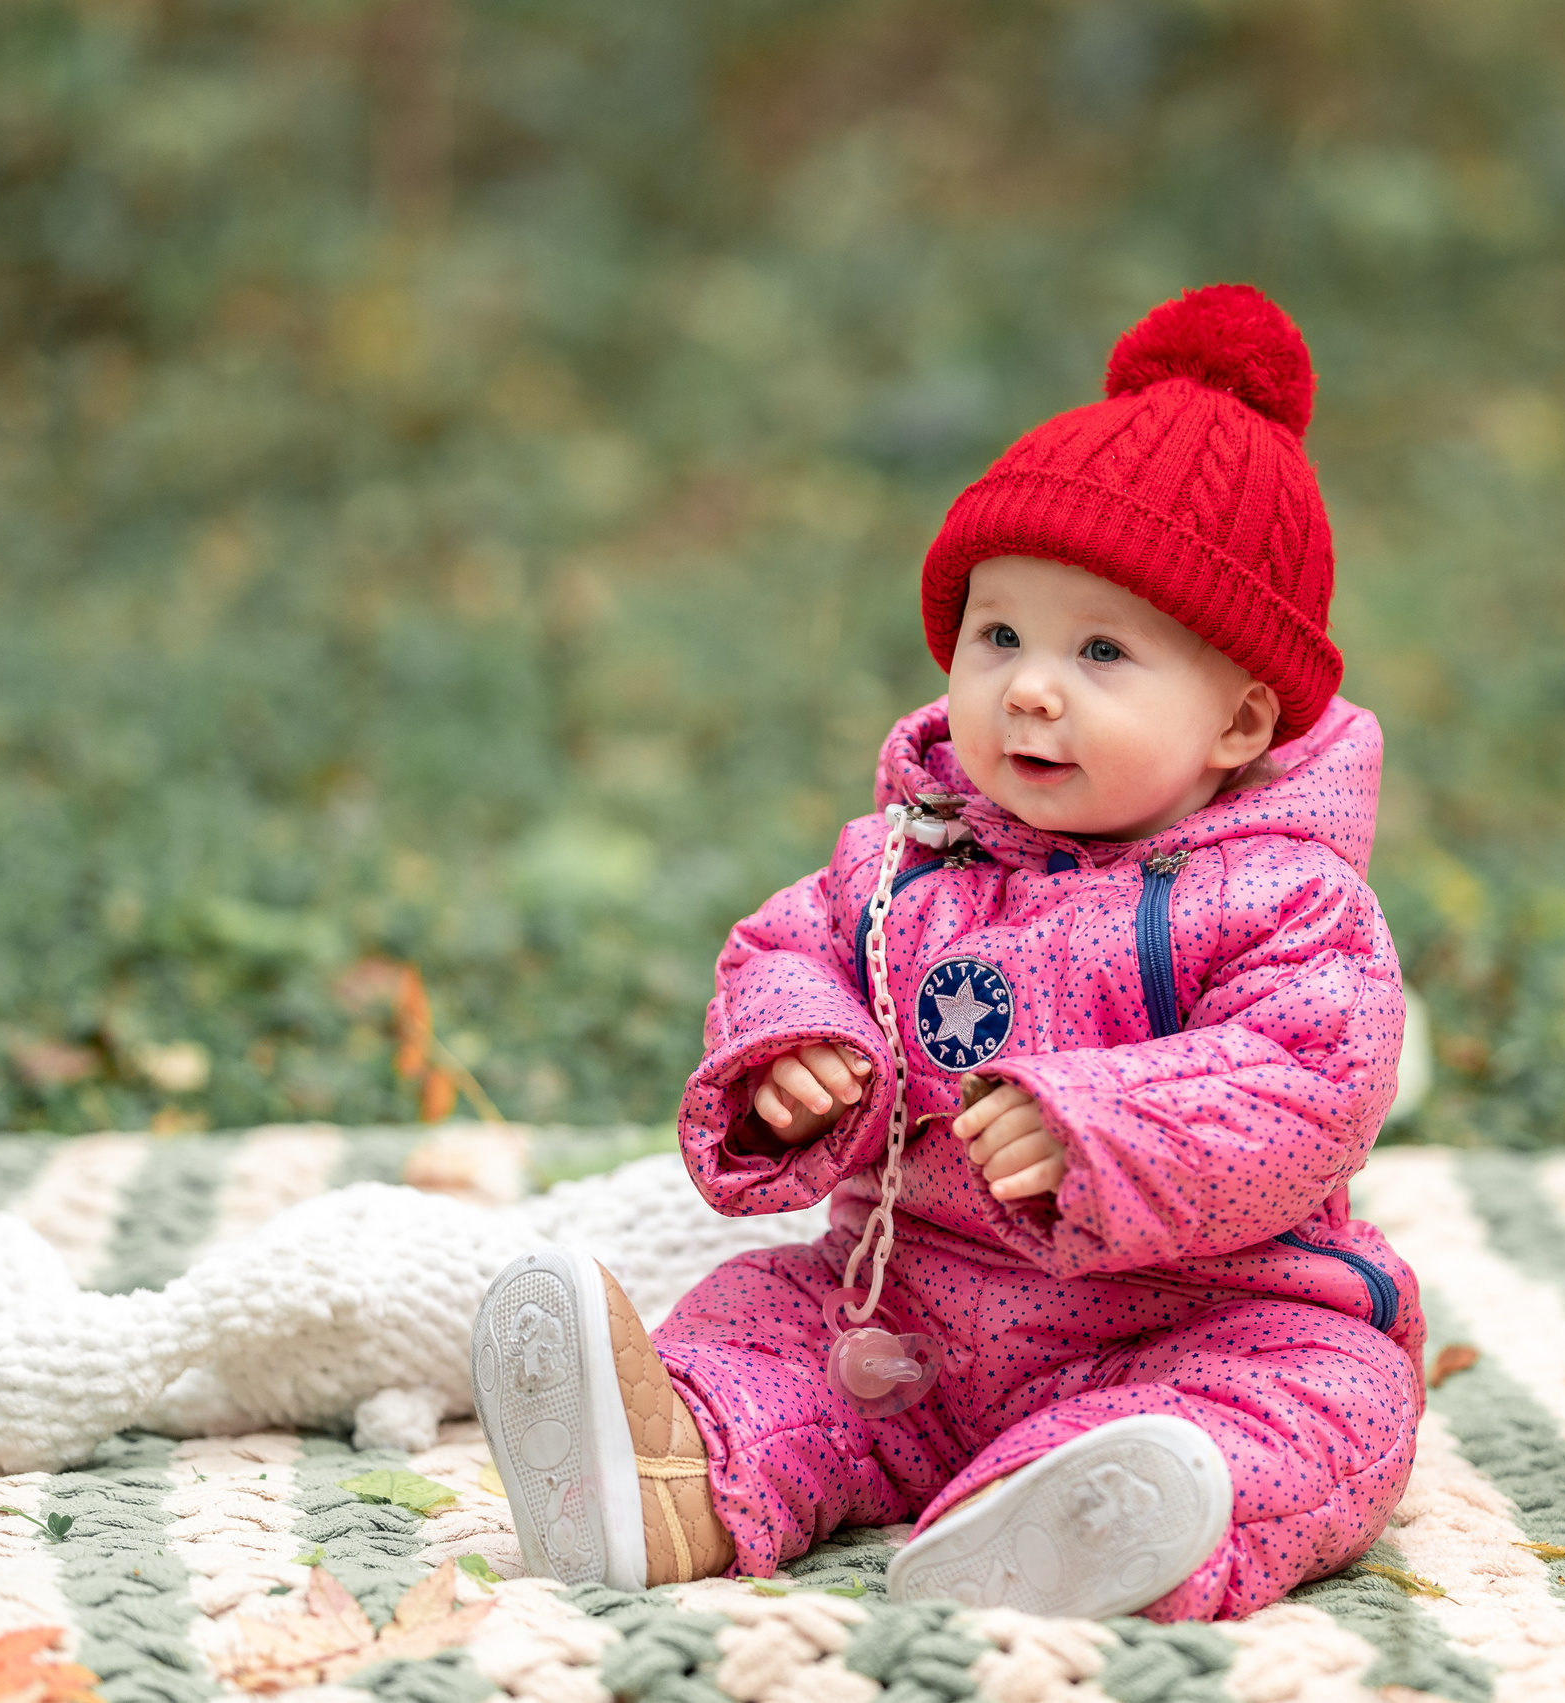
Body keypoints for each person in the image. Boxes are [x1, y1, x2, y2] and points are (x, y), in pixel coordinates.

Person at [471, 283, 1422, 1623]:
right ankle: (662, 1480)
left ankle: (1071, 1522)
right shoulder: (902, 864)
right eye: (1000, 635)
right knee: (761, 1320)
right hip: (906, 1323)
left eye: (1102, 650)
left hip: (1191, 1319)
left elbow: (1307, 1077)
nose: (1030, 685)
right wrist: (800, 1054)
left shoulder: (1283, 902)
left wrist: (1100, 1124)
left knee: (1332, 1399)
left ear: (1238, 720)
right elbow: (785, 949)